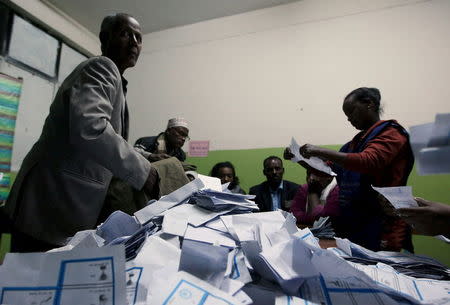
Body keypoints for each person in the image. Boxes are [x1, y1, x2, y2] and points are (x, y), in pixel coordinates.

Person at [1, 13, 158, 252]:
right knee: (32, 281)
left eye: (139, 37)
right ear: (105, 38)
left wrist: (145, 157)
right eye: (126, 34)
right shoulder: (101, 67)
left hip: (64, 205)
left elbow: (111, 138)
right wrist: (144, 172)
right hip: (51, 201)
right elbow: (91, 127)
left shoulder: (116, 82)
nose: (134, 42)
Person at [299, 87, 414, 252]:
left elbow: (368, 161)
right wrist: (300, 159)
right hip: (354, 225)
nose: (349, 119)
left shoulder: (392, 134)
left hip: (382, 225)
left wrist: (319, 150)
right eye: (347, 116)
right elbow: (329, 171)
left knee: (380, 273)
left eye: (351, 112)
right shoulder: (355, 143)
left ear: (369, 104)